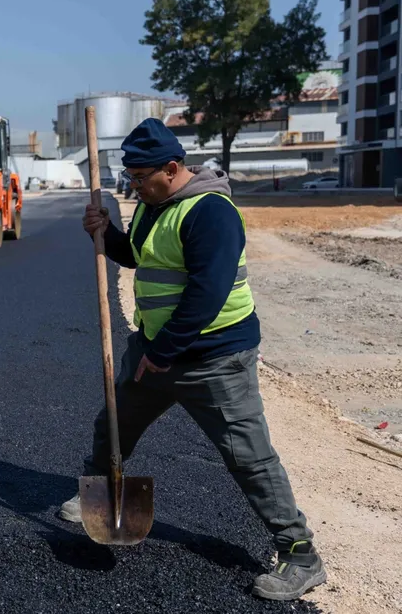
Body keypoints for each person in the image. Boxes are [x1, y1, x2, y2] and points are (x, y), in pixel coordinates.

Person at [62, 118, 325, 601]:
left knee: (248, 456)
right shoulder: (151, 205)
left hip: (214, 357)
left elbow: (207, 292)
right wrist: (106, 233)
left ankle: (300, 554)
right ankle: (100, 495)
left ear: (173, 167)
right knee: (115, 423)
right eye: (131, 178)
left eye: (142, 178)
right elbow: (142, 256)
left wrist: (163, 352)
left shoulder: (211, 212)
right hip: (156, 351)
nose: (135, 187)